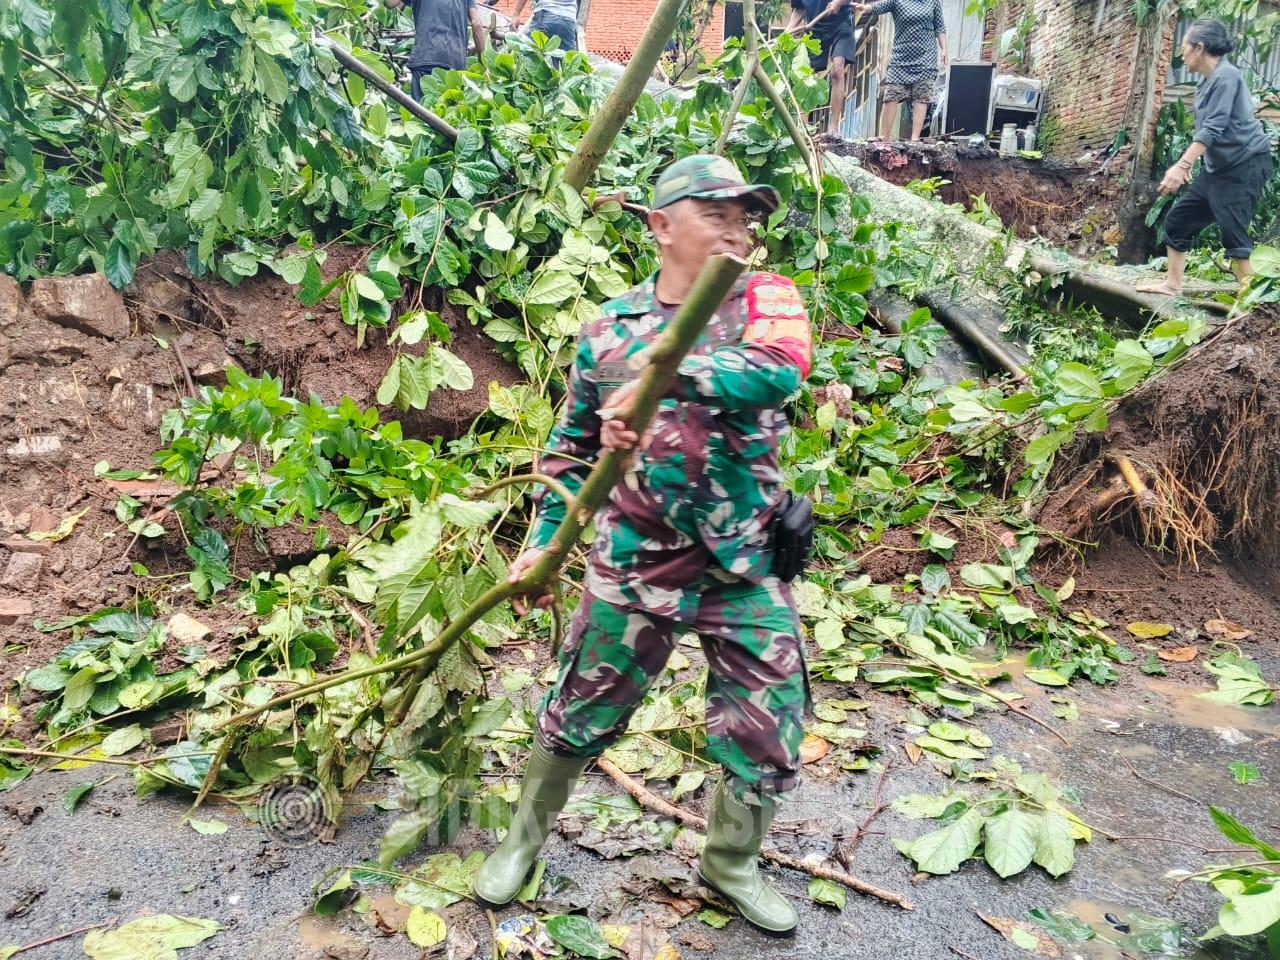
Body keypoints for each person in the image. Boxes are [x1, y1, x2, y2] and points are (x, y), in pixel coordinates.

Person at [471, 154, 813, 938]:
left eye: (745, 218)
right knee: (578, 712)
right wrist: (542, 543)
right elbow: (567, 454)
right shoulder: (607, 330)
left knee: (768, 723)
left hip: (743, 562)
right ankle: (520, 845)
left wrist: (665, 374)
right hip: (635, 559)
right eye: (717, 214)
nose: (737, 231)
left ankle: (731, 865)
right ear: (661, 225)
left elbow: (778, 371)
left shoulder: (765, 297)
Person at [1138, 19, 1274, 296]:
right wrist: (1195, 161)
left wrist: (1183, 164)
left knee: (1233, 231)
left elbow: (1215, 127)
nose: (1182, 53)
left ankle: (1254, 304)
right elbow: (1209, 130)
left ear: (1199, 48)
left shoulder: (1227, 76)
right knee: (1178, 221)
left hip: (1246, 164)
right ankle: (1172, 285)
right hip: (1218, 170)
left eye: (1184, 47)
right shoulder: (1205, 83)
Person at [853, 0, 947, 141]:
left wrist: (944, 49)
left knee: (922, 95)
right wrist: (865, 7)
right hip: (900, 55)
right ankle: (883, 137)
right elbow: (879, 6)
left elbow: (940, 27)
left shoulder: (933, 2)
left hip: (926, 55)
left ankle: (914, 139)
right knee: (891, 95)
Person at [383, 0, 486, 102]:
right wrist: (484, 66)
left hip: (427, 57)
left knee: (422, 109)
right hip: (456, 65)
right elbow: (476, 24)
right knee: (450, 110)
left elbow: (389, 3)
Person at [787, 0, 857, 134]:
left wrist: (839, 2)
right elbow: (799, 10)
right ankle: (803, 128)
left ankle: (833, 128)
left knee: (837, 69)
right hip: (815, 29)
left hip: (841, 23)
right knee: (806, 76)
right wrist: (786, 33)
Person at [510, 0, 579, 53]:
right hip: (568, 20)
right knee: (567, 61)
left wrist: (516, 14)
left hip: (546, 15)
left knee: (527, 56)